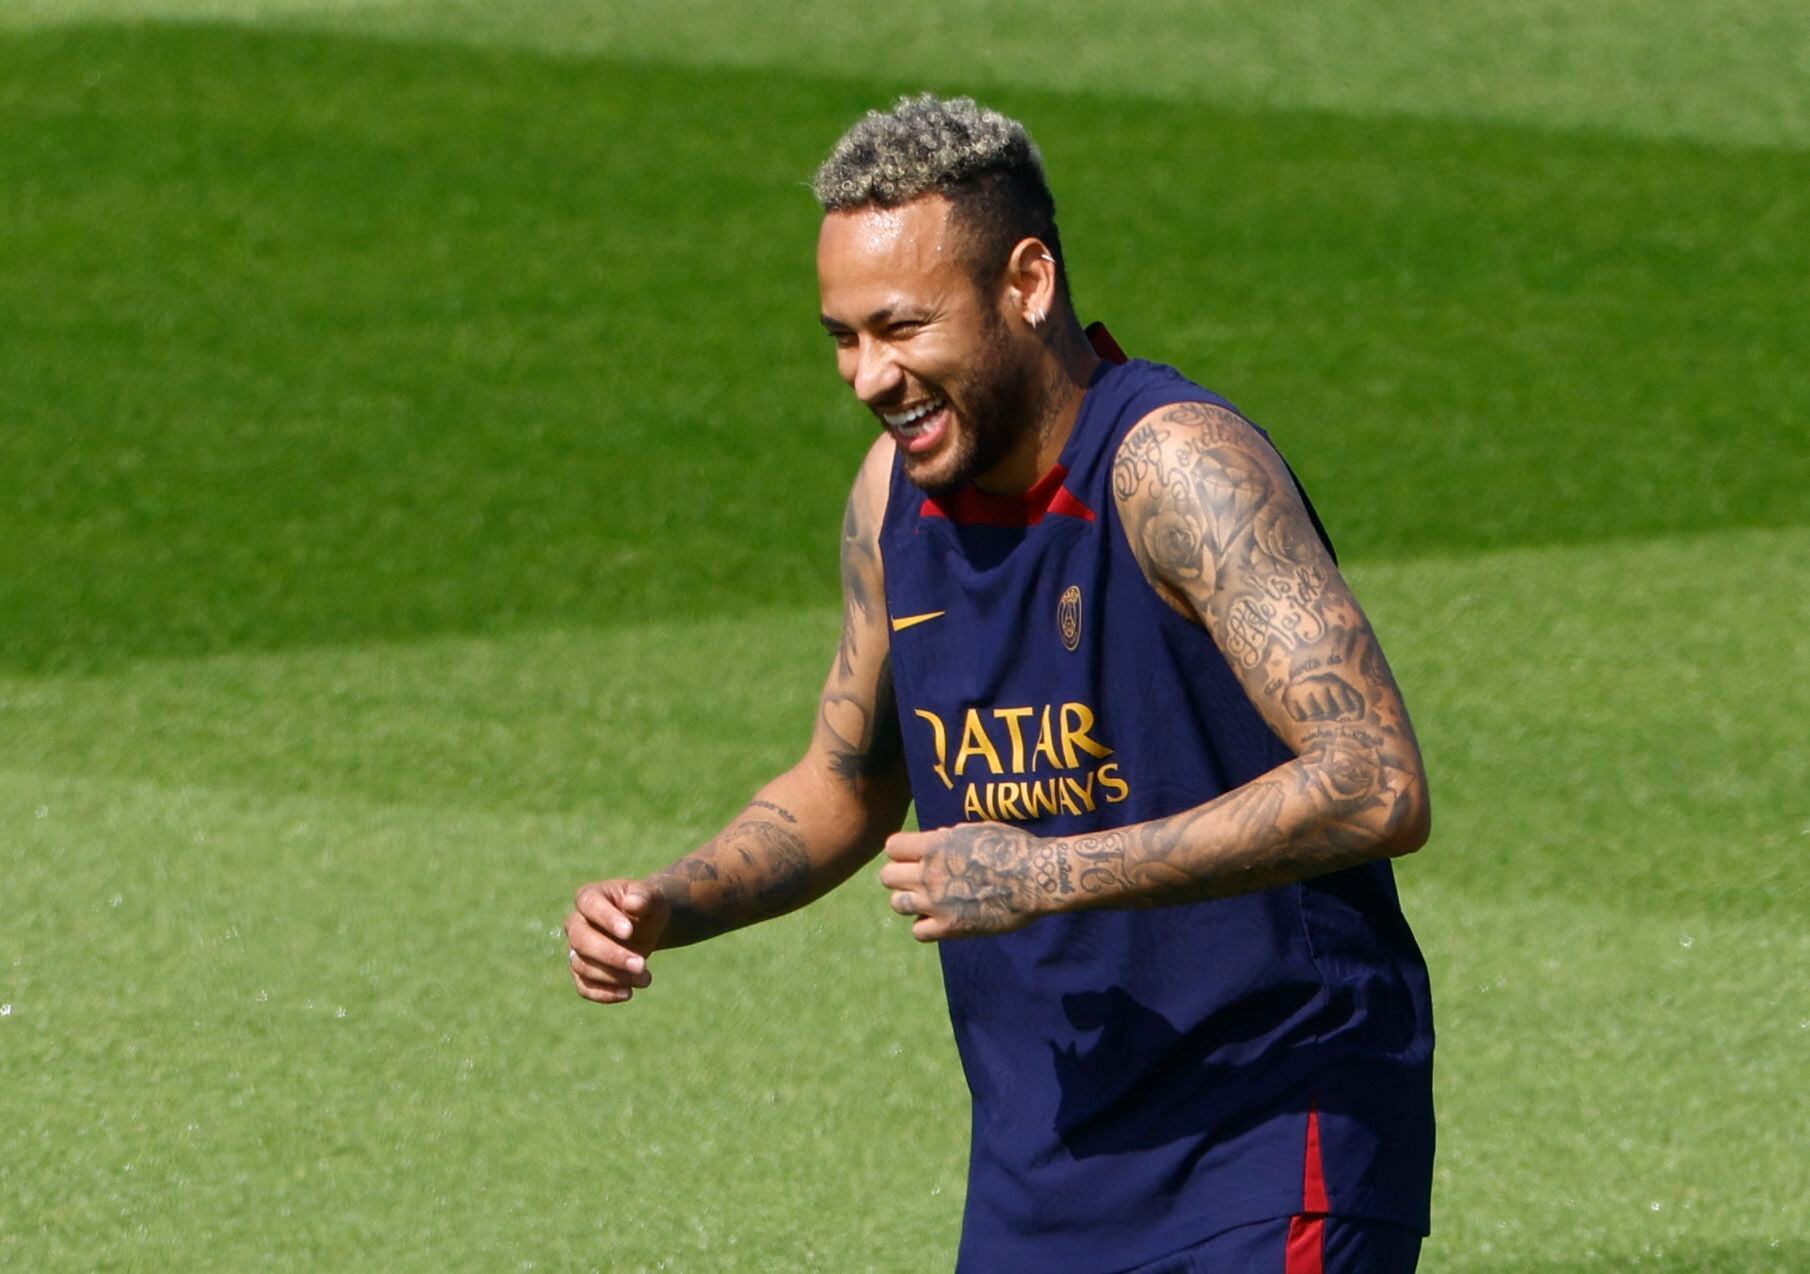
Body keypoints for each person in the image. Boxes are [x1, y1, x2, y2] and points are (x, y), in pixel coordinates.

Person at [567, 93, 1435, 1274]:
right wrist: (671, 902)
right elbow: (845, 779)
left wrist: (1046, 870)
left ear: (1025, 283)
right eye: (841, 334)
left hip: (1269, 1131)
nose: (868, 374)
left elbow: (1376, 783)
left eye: (901, 326)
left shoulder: (1175, 467)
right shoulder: (890, 500)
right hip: (1044, 1171)